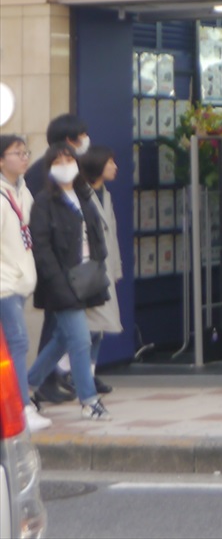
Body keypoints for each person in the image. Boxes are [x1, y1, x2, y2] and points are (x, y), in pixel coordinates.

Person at [26, 142, 111, 421]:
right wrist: (57, 282)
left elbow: (96, 236)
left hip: (85, 278)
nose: (65, 165)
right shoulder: (44, 202)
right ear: (49, 168)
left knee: (62, 339)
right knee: (80, 339)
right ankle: (89, 400)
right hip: (61, 283)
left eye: (69, 159)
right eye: (58, 161)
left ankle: (26, 387)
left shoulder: (84, 196)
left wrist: (99, 266)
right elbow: (42, 248)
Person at [23, 113, 90, 405]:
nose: (85, 141)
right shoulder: (43, 174)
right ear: (66, 140)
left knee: (61, 330)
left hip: (71, 265)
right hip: (55, 266)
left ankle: (41, 379)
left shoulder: (73, 175)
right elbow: (44, 230)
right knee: (61, 328)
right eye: (80, 137)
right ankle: (81, 396)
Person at [0, 134, 51, 432]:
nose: (24, 158)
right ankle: (22, 409)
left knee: (12, 346)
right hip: (4, 284)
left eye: (25, 152)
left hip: (18, 282)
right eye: (16, 153)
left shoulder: (22, 191)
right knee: (18, 342)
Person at [77, 146, 122, 396]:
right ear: (97, 165)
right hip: (88, 272)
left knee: (98, 329)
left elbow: (111, 234)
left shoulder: (106, 194)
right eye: (110, 162)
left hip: (103, 270)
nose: (115, 167)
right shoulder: (82, 195)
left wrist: (116, 269)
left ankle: (89, 375)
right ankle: (63, 376)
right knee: (89, 328)